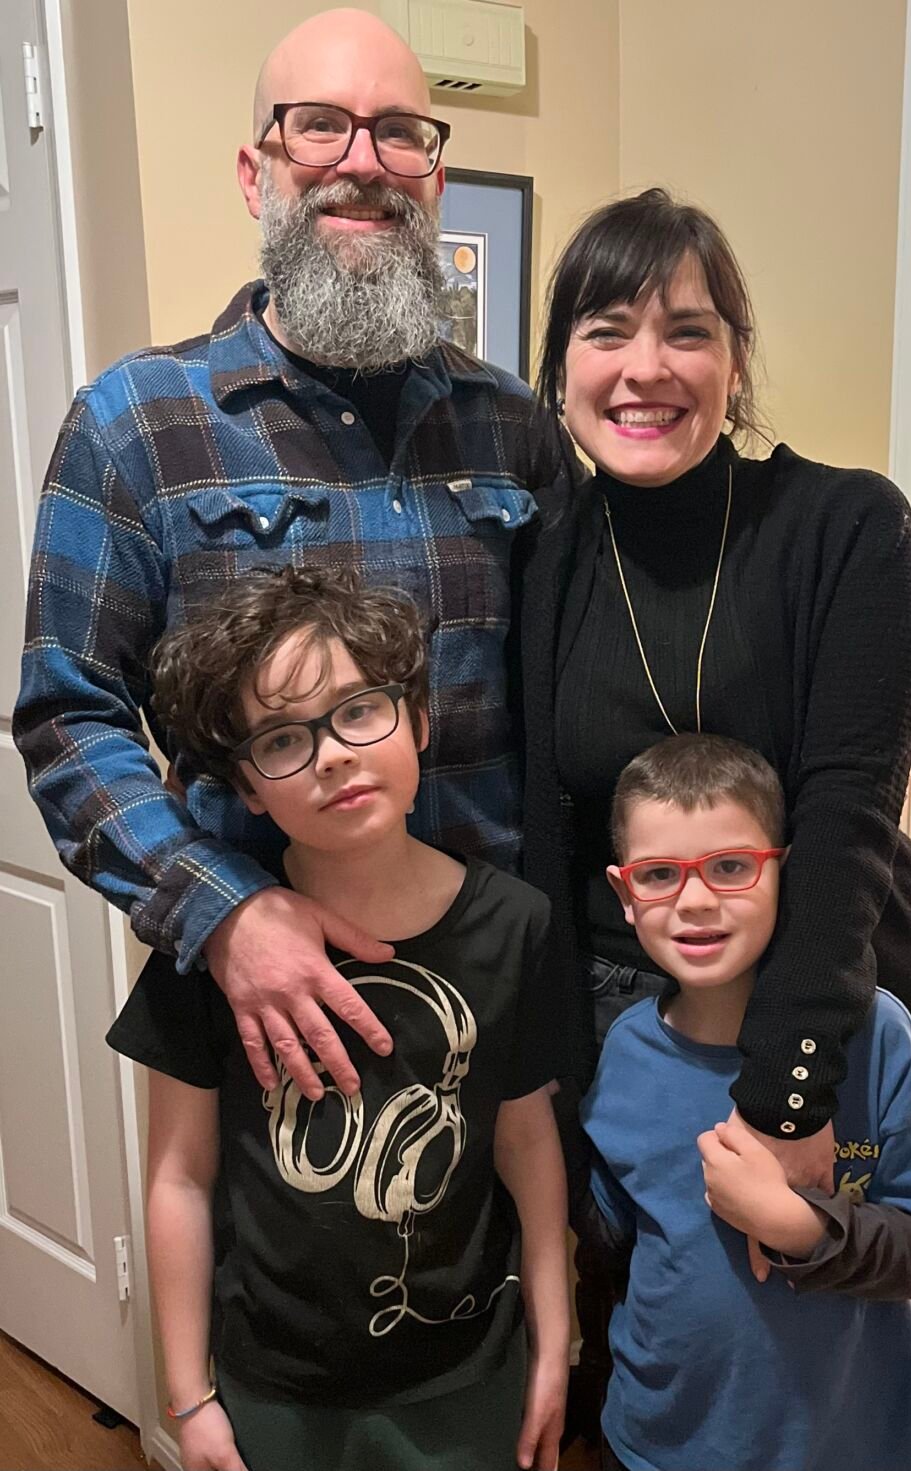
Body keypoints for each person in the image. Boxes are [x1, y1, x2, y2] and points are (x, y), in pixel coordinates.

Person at [14, 7, 561, 1106]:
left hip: (503, 1013)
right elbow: (67, 717)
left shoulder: (513, 427)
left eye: (398, 133)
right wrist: (224, 911)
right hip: (273, 1024)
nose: (362, 165)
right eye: (318, 127)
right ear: (254, 173)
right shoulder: (135, 423)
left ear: (435, 181)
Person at [517, 185, 911, 1443]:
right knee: (655, 1366)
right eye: (606, 330)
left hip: (826, 1003)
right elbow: (548, 837)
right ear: (559, 369)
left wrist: (790, 1096)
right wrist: (555, 1085)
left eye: (688, 330)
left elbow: (846, 819)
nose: (645, 367)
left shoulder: (844, 526)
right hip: (622, 1037)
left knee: (815, 1368)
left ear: (736, 358)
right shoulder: (547, 551)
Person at [107, 565, 569, 1471]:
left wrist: (556, 1340)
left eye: (361, 710)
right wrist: (187, 1396)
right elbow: (181, 1178)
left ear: (421, 720)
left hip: (467, 1379)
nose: (331, 753)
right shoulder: (204, 954)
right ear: (245, 786)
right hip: (273, 1393)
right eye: (283, 737)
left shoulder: (517, 923)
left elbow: (527, 1142)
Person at [580, 732, 911, 1471]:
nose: (695, 900)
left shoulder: (876, 1035)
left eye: (730, 867)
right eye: (659, 873)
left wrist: (797, 1225)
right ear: (624, 894)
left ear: (784, 873)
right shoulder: (624, 1052)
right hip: (659, 1445)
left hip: (856, 1448)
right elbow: (619, 1239)